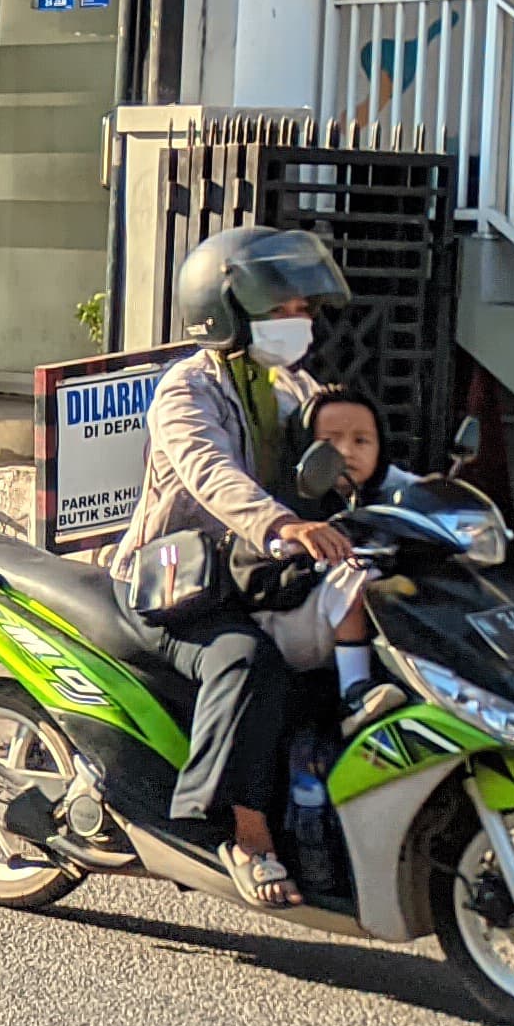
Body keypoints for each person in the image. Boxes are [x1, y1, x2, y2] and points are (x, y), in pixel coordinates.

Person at [113, 224, 365, 907]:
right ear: (227, 314)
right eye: (280, 311)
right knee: (248, 661)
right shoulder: (187, 391)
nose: (297, 323)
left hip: (256, 569)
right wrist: (283, 523)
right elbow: (212, 475)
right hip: (177, 581)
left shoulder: (287, 383)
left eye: (301, 311)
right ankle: (240, 835)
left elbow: (338, 451)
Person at [264, 385, 408, 712]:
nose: (346, 451)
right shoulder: (289, 504)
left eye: (361, 440)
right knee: (356, 576)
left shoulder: (380, 491)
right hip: (292, 620)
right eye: (329, 443)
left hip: (334, 621)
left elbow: (420, 487)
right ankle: (354, 693)